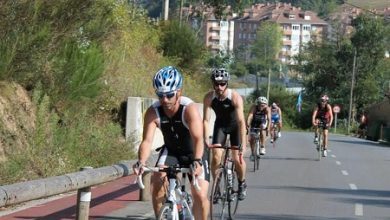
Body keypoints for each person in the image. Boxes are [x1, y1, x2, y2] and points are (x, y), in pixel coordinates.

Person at [133, 66, 210, 219]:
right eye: (160, 95)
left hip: (194, 152)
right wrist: (141, 162)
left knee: (200, 195)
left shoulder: (189, 109)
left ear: (179, 92)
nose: (164, 100)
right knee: (157, 182)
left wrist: (197, 161)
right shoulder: (153, 111)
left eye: (169, 95)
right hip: (171, 151)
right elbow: (147, 141)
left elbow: (198, 139)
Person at [203, 68, 247, 201]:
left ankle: (241, 183)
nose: (219, 87)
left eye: (222, 84)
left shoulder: (234, 97)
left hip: (235, 128)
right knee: (216, 157)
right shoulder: (209, 97)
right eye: (216, 84)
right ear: (213, 84)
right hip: (220, 126)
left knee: (237, 159)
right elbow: (205, 120)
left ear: (227, 84)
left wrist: (243, 145)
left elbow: (241, 122)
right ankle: (216, 188)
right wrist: (205, 138)